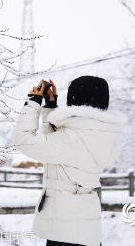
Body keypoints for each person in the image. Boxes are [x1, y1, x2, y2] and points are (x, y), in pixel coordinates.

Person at [13, 76, 127, 246]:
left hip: (64, 231)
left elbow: (23, 140)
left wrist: (33, 101)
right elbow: (61, 142)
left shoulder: (70, 139)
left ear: (73, 100)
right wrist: (50, 108)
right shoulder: (103, 135)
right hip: (88, 230)